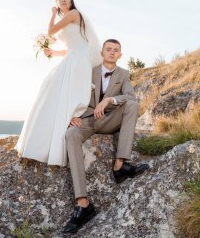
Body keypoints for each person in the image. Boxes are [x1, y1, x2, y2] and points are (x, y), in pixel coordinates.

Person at [62, 39, 149, 234]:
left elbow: (131, 96)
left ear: (120, 55)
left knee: (133, 105)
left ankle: (120, 165)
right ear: (101, 52)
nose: (111, 52)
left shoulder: (123, 74)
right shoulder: (89, 71)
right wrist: (69, 116)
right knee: (71, 134)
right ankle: (83, 204)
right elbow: (70, 93)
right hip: (87, 120)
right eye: (108, 49)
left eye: (115, 50)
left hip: (110, 119)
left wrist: (111, 99)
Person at [15, 0, 101, 166]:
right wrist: (53, 52)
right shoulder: (68, 19)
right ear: (57, 1)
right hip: (73, 55)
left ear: (71, 1)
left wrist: (53, 15)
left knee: (67, 87)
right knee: (50, 85)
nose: (63, 0)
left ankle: (72, 116)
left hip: (80, 57)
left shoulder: (73, 14)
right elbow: (70, 47)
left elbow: (52, 30)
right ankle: (41, 140)